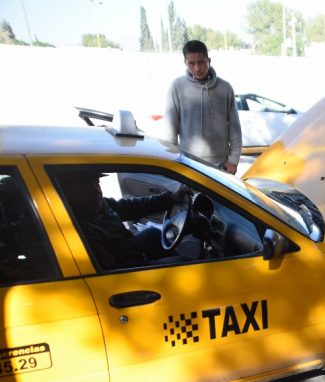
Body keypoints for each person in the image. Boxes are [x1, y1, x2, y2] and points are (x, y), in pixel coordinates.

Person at [59, 171, 189, 270]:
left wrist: (171, 198)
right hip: (129, 269)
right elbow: (112, 272)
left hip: (126, 248)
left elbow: (130, 207)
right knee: (186, 264)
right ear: (69, 193)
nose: (96, 190)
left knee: (153, 235)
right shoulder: (81, 228)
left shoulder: (97, 205)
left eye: (96, 183)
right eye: (86, 186)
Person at [165, 40, 242, 175]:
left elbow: (234, 128)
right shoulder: (177, 88)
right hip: (189, 164)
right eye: (191, 63)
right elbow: (171, 129)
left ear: (209, 60)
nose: (197, 68)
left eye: (201, 62)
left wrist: (233, 160)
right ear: (185, 63)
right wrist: (173, 161)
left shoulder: (225, 88)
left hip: (221, 166)